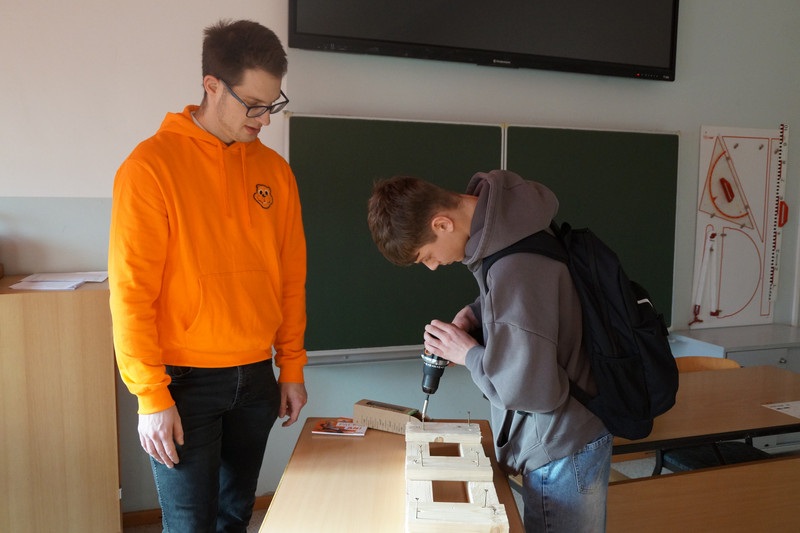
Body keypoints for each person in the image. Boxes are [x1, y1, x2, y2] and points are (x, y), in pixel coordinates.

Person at [109, 19, 308, 533]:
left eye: (273, 104)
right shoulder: (149, 168)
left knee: (235, 516)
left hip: (256, 377)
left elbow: (290, 277)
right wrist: (150, 397)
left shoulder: (275, 172)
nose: (265, 119)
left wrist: (290, 365)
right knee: (189, 524)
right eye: (253, 104)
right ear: (212, 85)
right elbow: (131, 294)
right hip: (183, 382)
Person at [367, 169, 611, 532]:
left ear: (442, 224)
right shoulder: (515, 225)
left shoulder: (513, 266)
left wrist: (467, 353)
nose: (433, 266)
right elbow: (541, 303)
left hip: (561, 443)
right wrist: (478, 313)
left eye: (426, 255)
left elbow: (531, 391)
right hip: (573, 430)